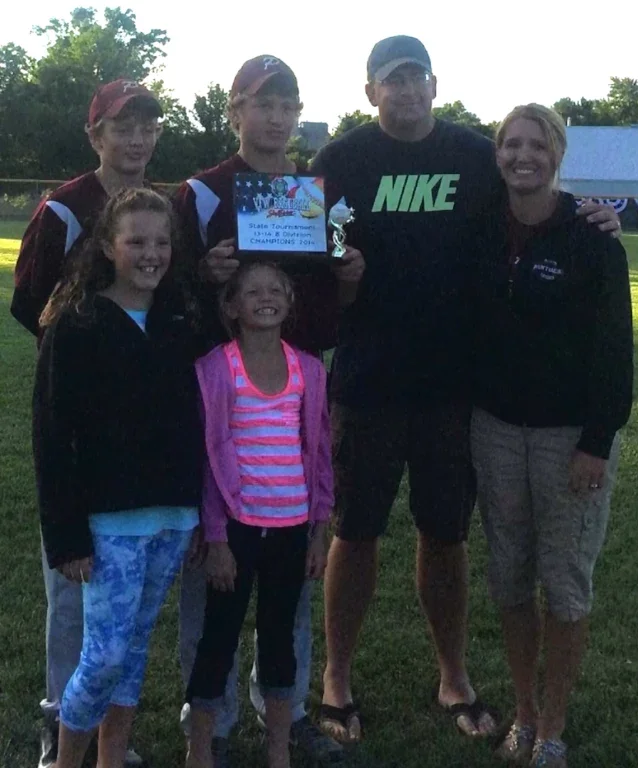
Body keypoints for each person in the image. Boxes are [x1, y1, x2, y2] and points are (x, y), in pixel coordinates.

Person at [309, 35, 622, 743]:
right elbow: (304, 250)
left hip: (455, 387)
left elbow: (530, 189)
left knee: (444, 533)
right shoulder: (341, 160)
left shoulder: (471, 156)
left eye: (418, 77)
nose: (408, 90)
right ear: (371, 92)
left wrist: (588, 213)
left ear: (435, 84)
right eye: (393, 80)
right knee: (354, 532)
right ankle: (336, 677)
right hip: (367, 382)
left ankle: (453, 674)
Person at [174, 55, 363, 766]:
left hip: (296, 395)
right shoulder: (200, 193)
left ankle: (282, 716)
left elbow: (328, 308)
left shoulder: (314, 193)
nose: (276, 117)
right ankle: (212, 727)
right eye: (262, 103)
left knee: (287, 595)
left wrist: (351, 278)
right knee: (213, 588)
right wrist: (205, 273)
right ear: (234, 112)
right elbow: (169, 297)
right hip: (223, 398)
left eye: (288, 104)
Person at [469, 104, 633, 768]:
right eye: (511, 144)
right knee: (509, 577)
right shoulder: (480, 230)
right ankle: (525, 713)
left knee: (564, 584)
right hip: (496, 430)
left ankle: (555, 729)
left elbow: (615, 352)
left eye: (537, 144)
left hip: (572, 438)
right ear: (498, 153)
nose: (522, 155)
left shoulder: (593, 238)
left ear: (559, 154)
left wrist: (597, 439)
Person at [13, 78, 164, 768]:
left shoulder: (163, 207)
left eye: (146, 126)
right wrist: (74, 355)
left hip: (142, 426)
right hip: (79, 416)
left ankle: (107, 740)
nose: (136, 139)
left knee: (122, 605)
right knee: (74, 587)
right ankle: (59, 722)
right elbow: (30, 305)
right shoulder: (67, 209)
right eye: (122, 127)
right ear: (95, 135)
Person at [33, 188, 203, 768]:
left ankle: (112, 759)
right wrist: (66, 535)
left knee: (133, 652)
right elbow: (52, 437)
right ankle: (67, 761)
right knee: (102, 657)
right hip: (107, 523)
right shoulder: (76, 323)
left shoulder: (182, 319)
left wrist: (201, 512)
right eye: (136, 241)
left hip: (174, 516)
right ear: (108, 245)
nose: (150, 253)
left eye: (161, 241)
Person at [184, 261, 333, 768]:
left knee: (280, 639)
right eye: (252, 292)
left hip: (292, 528)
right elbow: (206, 460)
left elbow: (320, 456)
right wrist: (217, 537)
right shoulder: (215, 370)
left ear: (290, 303)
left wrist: (319, 530)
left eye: (276, 291)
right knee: (217, 640)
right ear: (231, 306)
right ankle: (200, 746)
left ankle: (278, 750)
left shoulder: (308, 370)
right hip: (238, 529)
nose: (265, 299)